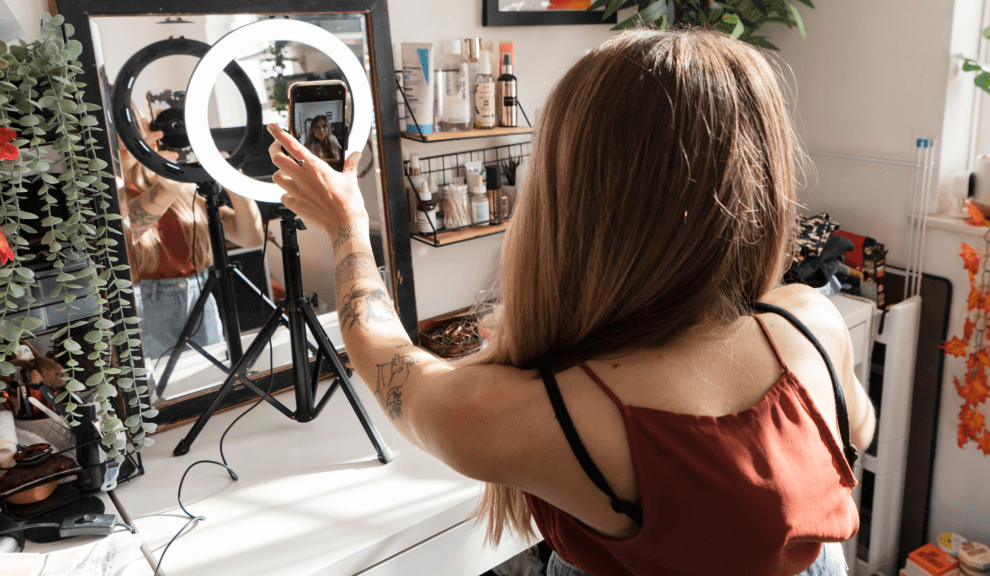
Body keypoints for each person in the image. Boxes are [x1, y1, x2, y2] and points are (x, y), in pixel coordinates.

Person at [267, 26, 876, 576]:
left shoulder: (537, 416)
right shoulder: (811, 318)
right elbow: (858, 428)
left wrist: (347, 224)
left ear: (574, 193)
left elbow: (379, 351)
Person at [118, 111, 265, 365]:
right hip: (144, 309)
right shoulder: (110, 195)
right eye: (115, 131)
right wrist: (166, 187)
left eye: (130, 127)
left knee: (212, 383)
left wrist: (231, 174)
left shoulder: (180, 187)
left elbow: (250, 237)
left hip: (200, 302)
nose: (122, 138)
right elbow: (122, 239)